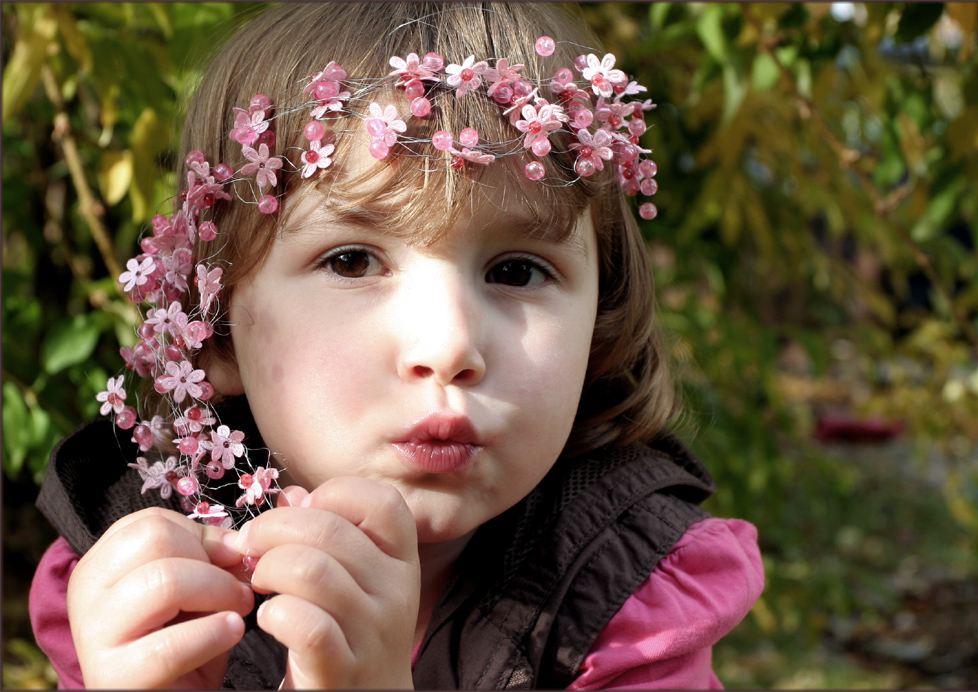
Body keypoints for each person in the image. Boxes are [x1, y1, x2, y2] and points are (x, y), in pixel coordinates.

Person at [29, 3, 763, 689]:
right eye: (351, 261)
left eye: (516, 271)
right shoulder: (136, 581)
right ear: (215, 328)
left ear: (599, 325)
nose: (448, 347)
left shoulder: (629, 594)